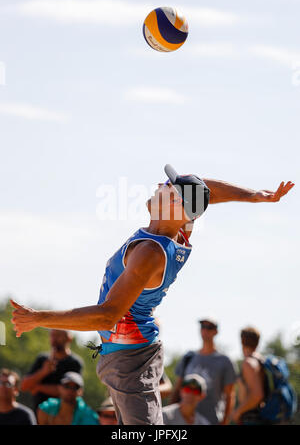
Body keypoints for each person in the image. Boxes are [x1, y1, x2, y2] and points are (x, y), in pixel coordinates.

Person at [10, 164, 294, 425]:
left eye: (167, 185)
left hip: (131, 363)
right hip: (127, 357)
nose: (159, 184)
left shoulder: (149, 253)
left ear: (175, 204)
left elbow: (108, 315)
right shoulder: (179, 230)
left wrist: (38, 318)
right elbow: (202, 192)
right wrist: (254, 195)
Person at [169, 317, 237, 425]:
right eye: (203, 327)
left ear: (216, 331)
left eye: (209, 327)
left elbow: (230, 395)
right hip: (184, 419)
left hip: (211, 419)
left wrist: (225, 422)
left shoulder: (225, 361)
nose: (205, 330)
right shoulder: (189, 357)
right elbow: (177, 388)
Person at [21, 329, 83, 412]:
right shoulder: (42, 359)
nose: (54, 339)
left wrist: (38, 387)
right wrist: (43, 371)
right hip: (38, 414)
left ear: (69, 339)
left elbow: (69, 392)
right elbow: (24, 386)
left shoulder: (74, 363)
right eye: (52, 335)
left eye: (58, 335)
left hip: (63, 416)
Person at [232, 327, 266, 425]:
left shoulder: (249, 363)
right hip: (262, 416)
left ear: (242, 341)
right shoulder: (261, 360)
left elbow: (257, 395)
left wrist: (238, 412)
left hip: (252, 419)